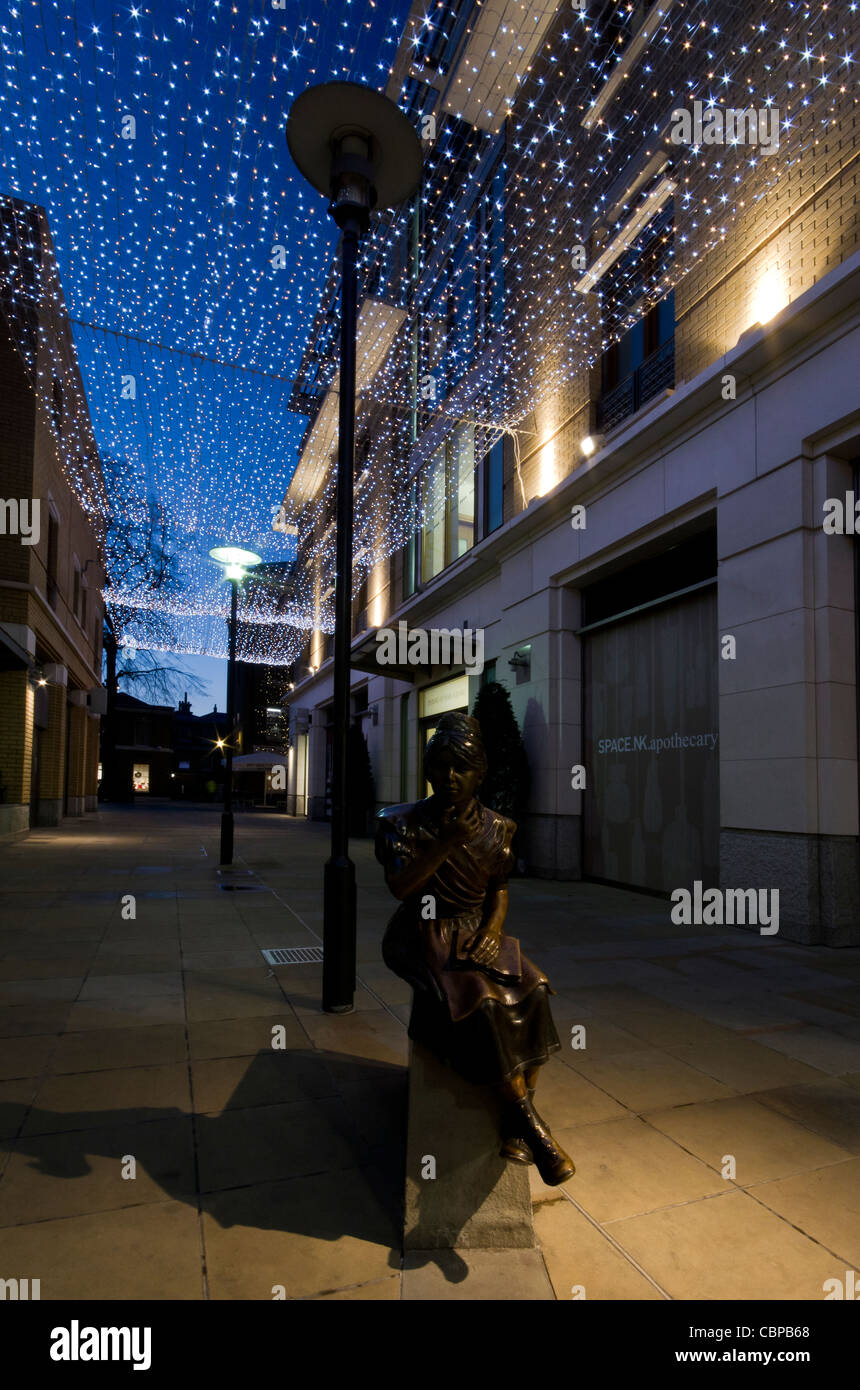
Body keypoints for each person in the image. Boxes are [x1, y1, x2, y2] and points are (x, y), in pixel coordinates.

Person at [375, 711, 575, 1186]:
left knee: (535, 988)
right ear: (427, 769)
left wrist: (492, 929)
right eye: (440, 765)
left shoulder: (499, 828)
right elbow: (402, 887)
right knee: (481, 1003)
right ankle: (533, 1128)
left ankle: (514, 1122)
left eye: (461, 768)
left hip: (474, 930)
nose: (450, 777)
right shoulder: (399, 821)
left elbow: (500, 888)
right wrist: (445, 843)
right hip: (423, 931)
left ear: (479, 774)